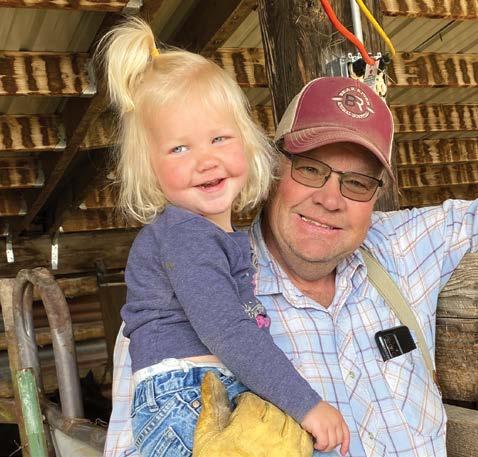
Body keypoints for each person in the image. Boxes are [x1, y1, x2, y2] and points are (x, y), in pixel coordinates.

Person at [104, 75, 478, 457]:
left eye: (357, 182)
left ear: (376, 196)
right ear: (272, 166)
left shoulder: (398, 247)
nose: (330, 198)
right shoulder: (186, 301)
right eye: (310, 169)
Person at [98, 18, 350, 457]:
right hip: (186, 395)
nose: (205, 160)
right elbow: (227, 331)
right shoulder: (186, 236)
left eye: (219, 138)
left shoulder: (211, 234)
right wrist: (306, 405)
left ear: (246, 143)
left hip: (205, 391)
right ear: (149, 167)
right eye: (179, 148)